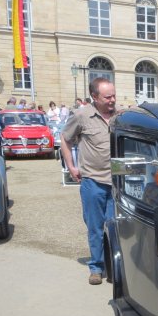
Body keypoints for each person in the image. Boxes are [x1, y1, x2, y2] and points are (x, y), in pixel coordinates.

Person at [60, 78, 117, 286]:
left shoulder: (119, 116)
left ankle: (114, 268)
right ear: (94, 97)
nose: (112, 100)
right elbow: (65, 139)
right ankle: (96, 267)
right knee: (95, 227)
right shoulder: (81, 115)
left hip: (117, 184)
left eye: (114, 95)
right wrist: (71, 166)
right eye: (107, 97)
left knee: (115, 227)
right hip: (93, 181)